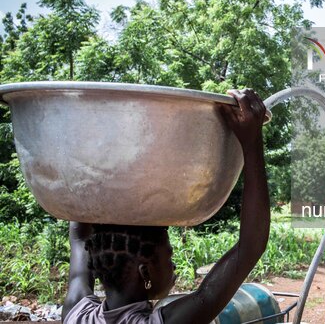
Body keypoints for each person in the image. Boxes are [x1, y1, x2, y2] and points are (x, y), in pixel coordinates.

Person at [62, 88, 270, 324]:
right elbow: (250, 247)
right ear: (145, 272)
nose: (174, 267)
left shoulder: (76, 313)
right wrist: (252, 144)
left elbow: (79, 238)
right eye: (168, 258)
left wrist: (90, 152)